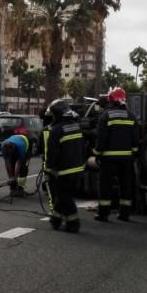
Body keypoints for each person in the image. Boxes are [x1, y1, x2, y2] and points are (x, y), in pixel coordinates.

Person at [94, 87, 139, 222]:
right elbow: (136, 139)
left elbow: (101, 138)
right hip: (127, 159)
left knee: (105, 187)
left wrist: (97, 153)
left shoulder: (106, 116)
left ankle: (103, 214)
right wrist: (134, 154)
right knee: (126, 186)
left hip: (108, 160)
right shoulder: (132, 116)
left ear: (111, 100)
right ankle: (125, 214)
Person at [41, 99, 86, 232]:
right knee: (63, 196)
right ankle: (56, 219)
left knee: (64, 197)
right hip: (78, 169)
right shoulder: (76, 126)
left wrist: (48, 169)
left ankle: (73, 223)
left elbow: (53, 153)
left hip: (63, 172)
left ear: (58, 115)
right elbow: (83, 148)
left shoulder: (56, 130)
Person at [1, 131, 30, 196]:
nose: (10, 153)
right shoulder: (3, 147)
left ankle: (20, 189)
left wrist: (15, 177)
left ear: (13, 147)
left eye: (11, 151)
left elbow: (19, 163)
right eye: (9, 152)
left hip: (25, 142)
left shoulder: (21, 146)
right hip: (14, 140)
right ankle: (13, 188)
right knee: (11, 162)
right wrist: (11, 178)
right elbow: (7, 163)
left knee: (23, 167)